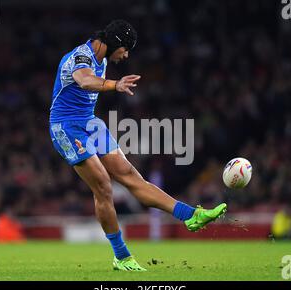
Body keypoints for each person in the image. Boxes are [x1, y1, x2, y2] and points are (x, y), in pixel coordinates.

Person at [49, 20, 227, 271]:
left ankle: (190, 215)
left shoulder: (102, 59)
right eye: (126, 49)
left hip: (89, 123)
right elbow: (85, 81)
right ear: (116, 43)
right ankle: (121, 255)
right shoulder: (82, 55)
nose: (126, 55)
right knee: (103, 184)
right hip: (65, 126)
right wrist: (115, 84)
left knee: (131, 177)